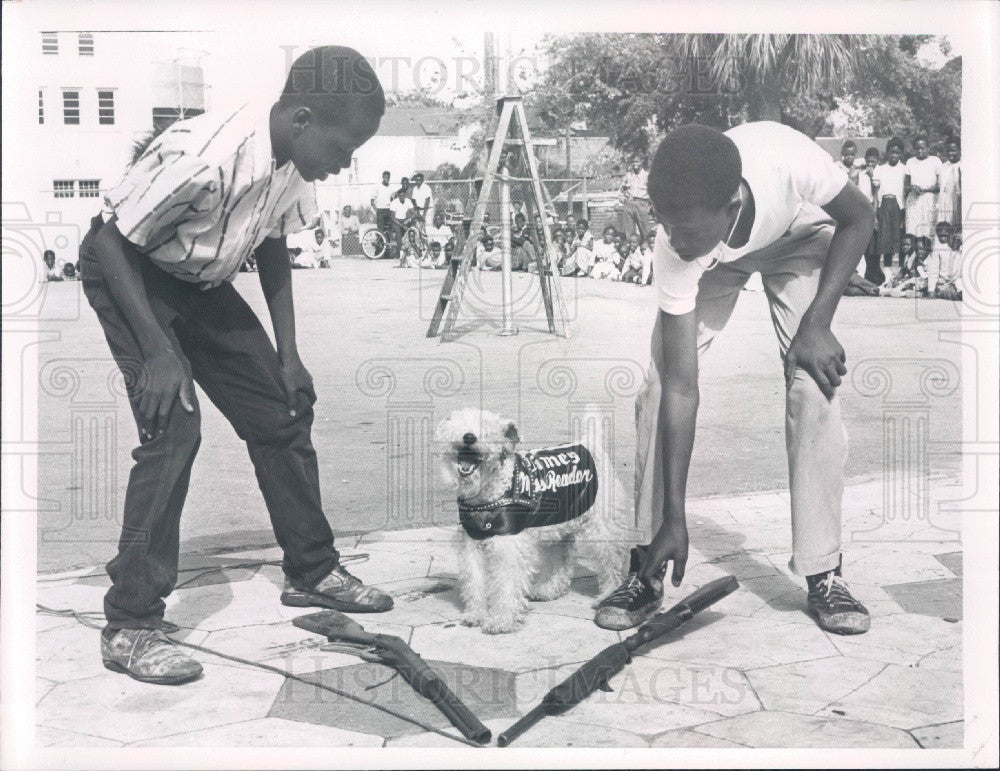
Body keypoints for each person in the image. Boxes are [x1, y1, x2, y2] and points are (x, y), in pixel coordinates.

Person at [78, 46, 394, 686]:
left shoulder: (292, 163)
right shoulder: (209, 150)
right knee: (174, 432)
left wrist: (289, 355)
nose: (346, 162)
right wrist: (161, 354)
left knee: (280, 411)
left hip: (198, 282)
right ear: (302, 119)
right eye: (344, 146)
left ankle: (311, 570)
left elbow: (273, 244)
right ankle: (130, 623)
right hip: (129, 275)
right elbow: (111, 239)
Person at [594, 122, 875, 636]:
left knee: (813, 383)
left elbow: (861, 218)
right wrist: (676, 515)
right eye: (666, 225)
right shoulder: (679, 242)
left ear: (731, 206)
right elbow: (683, 385)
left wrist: (817, 323)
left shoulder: (789, 158)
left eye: (688, 231)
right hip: (720, 256)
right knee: (656, 386)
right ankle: (650, 558)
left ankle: (824, 570)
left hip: (798, 234)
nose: (676, 241)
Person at [873, 138, 906, 280]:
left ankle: (901, 273)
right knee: (885, 241)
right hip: (885, 205)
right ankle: (887, 276)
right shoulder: (880, 169)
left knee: (899, 240)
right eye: (891, 152)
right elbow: (875, 193)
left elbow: (907, 191)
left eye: (897, 153)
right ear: (887, 153)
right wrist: (875, 213)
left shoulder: (905, 169)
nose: (894, 155)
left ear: (901, 154)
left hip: (900, 206)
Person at [904, 135, 942, 239]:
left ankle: (928, 254)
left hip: (930, 200)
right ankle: (912, 254)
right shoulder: (910, 162)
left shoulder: (935, 161)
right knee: (912, 230)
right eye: (917, 148)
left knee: (928, 230)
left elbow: (940, 186)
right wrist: (912, 188)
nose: (920, 151)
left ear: (928, 148)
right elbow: (906, 187)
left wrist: (925, 189)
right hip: (914, 201)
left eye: (923, 148)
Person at [856, 148, 883, 285]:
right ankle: (864, 273)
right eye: (869, 161)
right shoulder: (860, 173)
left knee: (874, 244)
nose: (870, 163)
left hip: (873, 208)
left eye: (873, 161)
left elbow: (876, 195)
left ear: (877, 162)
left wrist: (874, 215)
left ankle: (874, 273)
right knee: (864, 243)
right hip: (861, 207)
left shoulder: (878, 173)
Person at [621, 158, 652, 240]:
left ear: (641, 162)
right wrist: (623, 200)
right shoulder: (628, 175)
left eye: (637, 161)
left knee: (645, 230)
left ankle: (646, 250)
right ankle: (631, 250)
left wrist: (649, 205)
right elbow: (621, 190)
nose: (635, 164)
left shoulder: (647, 176)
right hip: (629, 203)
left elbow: (652, 191)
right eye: (633, 162)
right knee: (629, 231)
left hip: (642, 203)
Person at [937, 137, 962, 229]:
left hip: (957, 201)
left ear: (959, 150)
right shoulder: (943, 167)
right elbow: (940, 186)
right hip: (945, 201)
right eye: (948, 151)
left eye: (953, 150)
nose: (950, 153)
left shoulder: (964, 165)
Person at [370, 171, 394, 240]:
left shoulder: (391, 187)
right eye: (386, 177)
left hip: (389, 210)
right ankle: (379, 249)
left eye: (388, 177)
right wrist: (377, 210)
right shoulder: (377, 186)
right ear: (383, 177)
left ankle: (387, 249)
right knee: (380, 231)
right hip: (380, 210)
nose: (387, 179)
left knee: (389, 230)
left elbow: (392, 199)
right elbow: (372, 201)